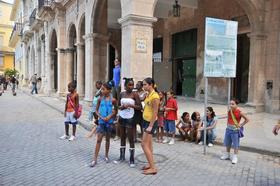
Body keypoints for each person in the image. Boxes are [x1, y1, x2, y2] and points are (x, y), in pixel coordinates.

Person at [114, 78, 142, 167]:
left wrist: (130, 105)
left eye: (132, 85)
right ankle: (122, 156)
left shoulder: (135, 94)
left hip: (130, 118)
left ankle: (131, 158)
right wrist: (121, 107)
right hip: (122, 117)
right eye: (129, 85)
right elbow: (118, 105)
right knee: (122, 137)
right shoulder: (122, 94)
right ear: (125, 86)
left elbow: (139, 107)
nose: (131, 86)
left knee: (130, 138)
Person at [90, 80, 117, 167]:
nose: (102, 91)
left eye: (103, 89)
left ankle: (106, 155)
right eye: (101, 89)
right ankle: (95, 159)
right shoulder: (100, 99)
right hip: (101, 122)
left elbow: (115, 111)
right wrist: (101, 117)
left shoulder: (113, 100)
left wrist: (110, 117)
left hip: (109, 122)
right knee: (98, 140)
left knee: (108, 139)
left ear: (109, 90)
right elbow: (96, 111)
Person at [220, 98, 249, 164]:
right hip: (228, 129)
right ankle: (227, 154)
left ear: (236, 105)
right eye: (230, 104)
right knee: (227, 143)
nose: (231, 105)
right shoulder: (229, 111)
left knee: (236, 144)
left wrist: (241, 125)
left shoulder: (239, 112)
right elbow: (229, 119)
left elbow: (247, 119)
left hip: (235, 131)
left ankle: (235, 157)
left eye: (233, 104)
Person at [141, 77, 159, 175]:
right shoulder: (148, 94)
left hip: (150, 123)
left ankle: (153, 168)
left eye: (145, 85)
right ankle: (150, 163)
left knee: (143, 144)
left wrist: (151, 126)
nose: (143, 86)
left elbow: (155, 113)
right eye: (143, 84)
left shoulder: (155, 97)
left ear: (150, 85)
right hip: (146, 121)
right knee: (149, 144)